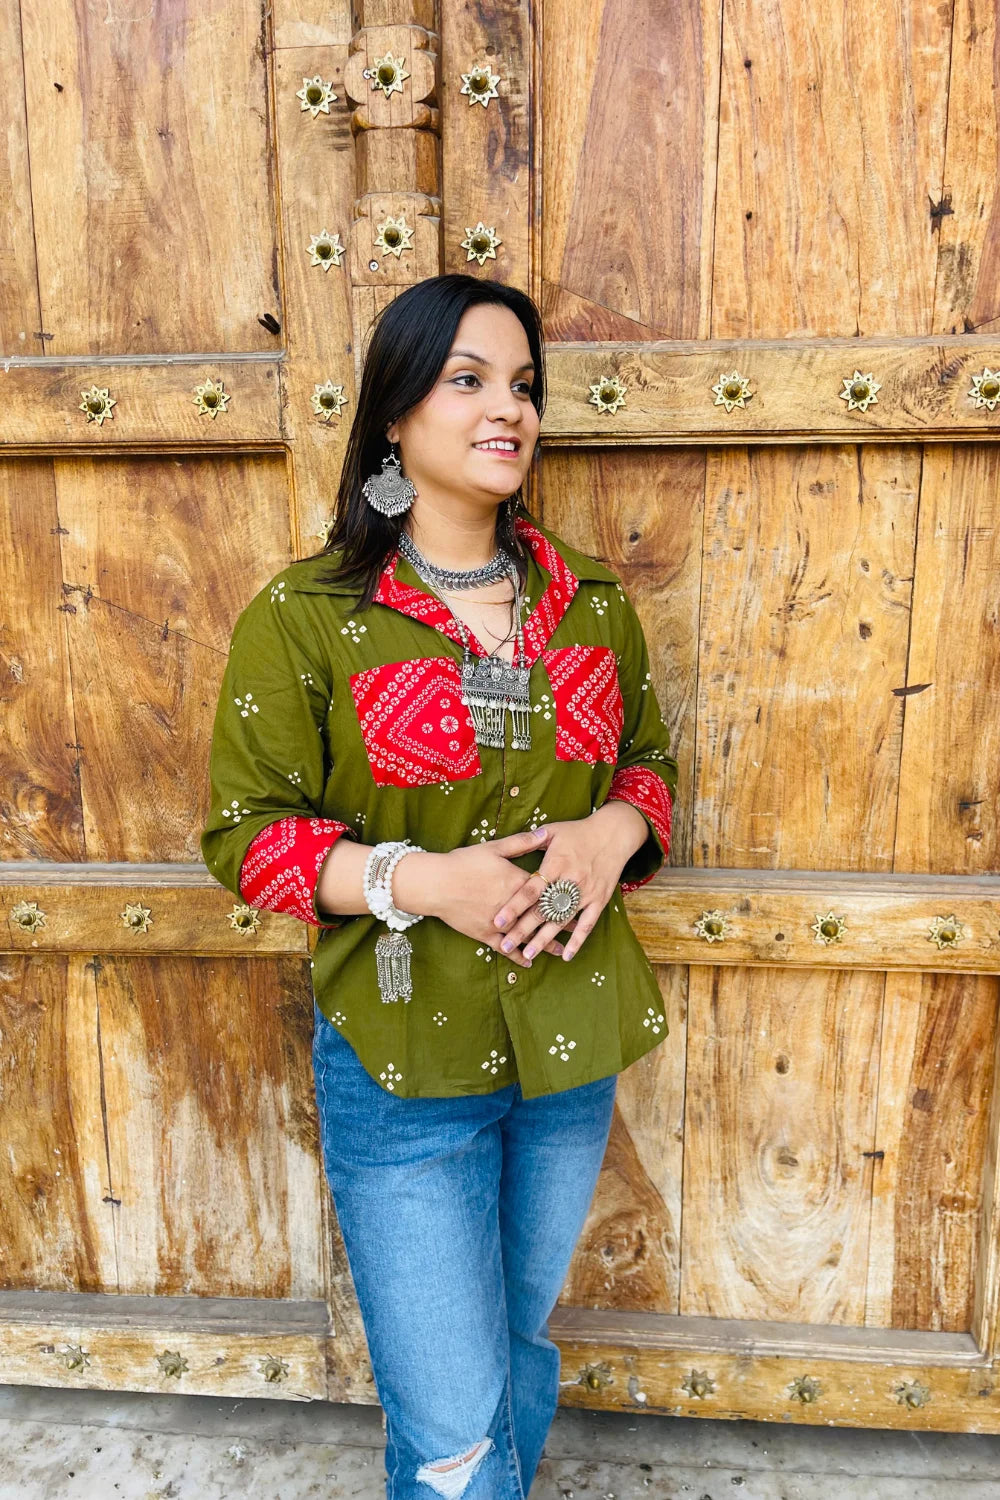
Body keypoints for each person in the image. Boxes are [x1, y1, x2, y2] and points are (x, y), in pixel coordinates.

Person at [200, 273, 678, 1499]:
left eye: (521, 385)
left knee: (512, 1361)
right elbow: (246, 839)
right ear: (395, 420)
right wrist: (420, 879)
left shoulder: (592, 604)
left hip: (566, 1047)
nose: (505, 408)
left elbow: (652, 766)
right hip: (402, 1058)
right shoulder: (308, 618)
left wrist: (612, 832)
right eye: (465, 381)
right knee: (454, 1428)